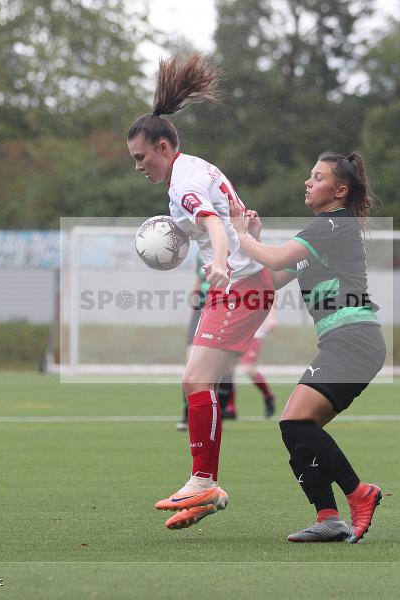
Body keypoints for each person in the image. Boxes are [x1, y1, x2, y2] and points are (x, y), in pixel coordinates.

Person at [127, 54, 274, 530]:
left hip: (241, 285)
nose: (138, 166)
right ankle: (204, 489)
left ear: (164, 146)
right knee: (197, 381)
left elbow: (211, 223)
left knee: (196, 381)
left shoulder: (183, 182)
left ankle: (204, 482)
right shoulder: (194, 168)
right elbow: (225, 218)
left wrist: (218, 260)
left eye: (141, 157)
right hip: (244, 282)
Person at [230, 151, 385, 543]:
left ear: (340, 190)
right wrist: (250, 242)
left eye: (317, 177)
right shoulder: (325, 229)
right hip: (348, 343)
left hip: (355, 341)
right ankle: (329, 518)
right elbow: (271, 278)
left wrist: (242, 236)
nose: (308, 182)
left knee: (296, 422)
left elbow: (278, 258)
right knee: (296, 429)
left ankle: (359, 493)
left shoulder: (334, 223)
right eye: (310, 175)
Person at [176, 256, 234, 431]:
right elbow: (198, 279)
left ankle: (220, 411)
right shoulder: (201, 252)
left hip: (223, 307)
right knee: (191, 362)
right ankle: (187, 414)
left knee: (225, 366)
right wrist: (194, 304)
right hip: (201, 310)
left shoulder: (232, 246)